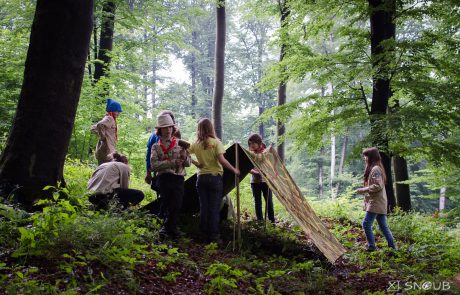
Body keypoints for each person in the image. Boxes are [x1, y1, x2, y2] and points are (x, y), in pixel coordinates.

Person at [188, 118, 240, 244]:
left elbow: (184, 153)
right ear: (211, 128)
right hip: (214, 178)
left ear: (199, 129)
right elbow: (222, 160)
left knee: (204, 208)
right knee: (214, 209)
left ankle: (203, 236)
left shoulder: (195, 144)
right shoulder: (216, 142)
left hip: (201, 179)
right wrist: (234, 170)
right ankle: (214, 238)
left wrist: (196, 163)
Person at [150, 114, 191, 238]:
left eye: (170, 127)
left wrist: (184, 159)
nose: (168, 130)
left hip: (178, 178)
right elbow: (154, 165)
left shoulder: (180, 144)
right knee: (167, 204)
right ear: (159, 130)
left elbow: (189, 163)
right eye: (165, 128)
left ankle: (169, 228)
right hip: (164, 179)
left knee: (177, 204)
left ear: (173, 129)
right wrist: (172, 162)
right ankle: (168, 229)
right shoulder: (156, 146)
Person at [357, 147, 396, 252]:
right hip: (378, 201)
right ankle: (393, 248)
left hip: (376, 202)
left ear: (371, 157)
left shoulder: (375, 169)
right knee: (383, 226)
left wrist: (363, 190)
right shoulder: (375, 168)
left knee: (366, 224)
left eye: (366, 156)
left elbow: (378, 185)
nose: (364, 158)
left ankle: (372, 247)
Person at [248, 134, 275, 223]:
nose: (252, 145)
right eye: (250, 143)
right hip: (254, 181)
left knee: (269, 202)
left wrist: (265, 173)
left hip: (266, 181)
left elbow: (271, 166)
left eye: (254, 143)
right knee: (257, 202)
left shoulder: (266, 152)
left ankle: (272, 222)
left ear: (259, 143)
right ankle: (260, 222)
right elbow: (247, 168)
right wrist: (255, 172)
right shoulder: (249, 153)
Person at [145, 110, 175, 186]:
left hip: (175, 174)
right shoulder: (153, 137)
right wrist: (148, 173)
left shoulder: (176, 134)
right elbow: (149, 156)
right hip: (160, 172)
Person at [91, 98, 122, 164]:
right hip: (107, 150)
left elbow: (93, 128)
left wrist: (102, 134)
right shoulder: (110, 118)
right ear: (112, 110)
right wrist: (103, 137)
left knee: (102, 168)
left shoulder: (108, 118)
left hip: (104, 149)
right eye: (117, 111)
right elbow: (99, 124)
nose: (119, 113)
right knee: (107, 168)